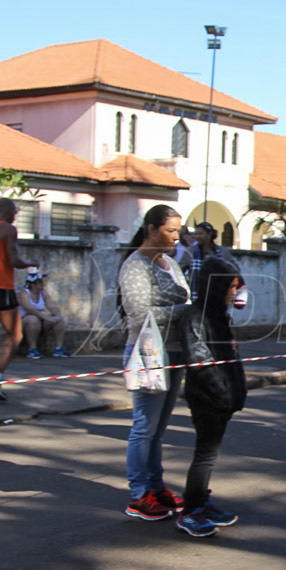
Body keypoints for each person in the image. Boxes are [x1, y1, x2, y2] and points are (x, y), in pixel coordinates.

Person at [117, 205, 190, 521]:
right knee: (144, 427)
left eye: (178, 230)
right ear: (151, 228)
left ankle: (155, 486)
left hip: (174, 351)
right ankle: (138, 495)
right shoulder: (135, 266)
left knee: (158, 429)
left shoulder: (171, 263)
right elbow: (138, 315)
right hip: (147, 352)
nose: (177, 236)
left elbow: (183, 297)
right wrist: (186, 311)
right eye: (170, 230)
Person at [175, 256, 246, 538]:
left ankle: (202, 500)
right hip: (206, 397)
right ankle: (190, 510)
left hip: (222, 398)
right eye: (229, 287)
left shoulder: (220, 315)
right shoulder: (195, 316)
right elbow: (200, 361)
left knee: (210, 454)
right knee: (204, 455)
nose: (233, 292)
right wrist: (223, 393)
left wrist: (237, 391)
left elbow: (231, 355)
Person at [0, 198, 39, 401]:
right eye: (14, 212)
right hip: (1, 287)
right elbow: (13, 260)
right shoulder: (8, 230)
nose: (15, 215)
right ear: (7, 210)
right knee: (16, 334)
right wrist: (30, 262)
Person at [19, 269, 69, 359]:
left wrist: (57, 315)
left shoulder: (43, 293)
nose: (43, 284)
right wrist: (45, 317)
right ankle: (32, 349)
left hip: (41, 322)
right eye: (40, 282)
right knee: (32, 319)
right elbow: (28, 309)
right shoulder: (24, 294)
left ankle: (59, 348)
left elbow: (52, 306)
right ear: (33, 284)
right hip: (25, 322)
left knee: (58, 320)